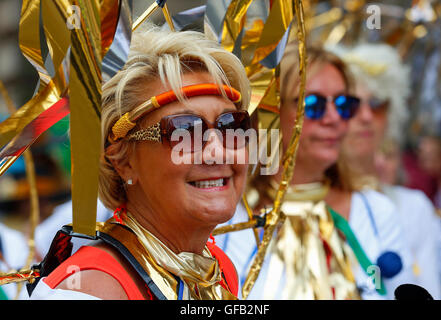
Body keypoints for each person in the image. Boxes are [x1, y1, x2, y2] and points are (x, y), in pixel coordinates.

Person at [28, 25, 251, 300]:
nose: (218, 150)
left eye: (232, 126)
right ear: (122, 161)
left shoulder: (217, 269)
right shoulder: (90, 290)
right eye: (185, 130)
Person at [217, 42, 413, 300]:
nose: (333, 118)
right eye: (313, 104)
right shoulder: (226, 216)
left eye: (344, 104)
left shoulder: (377, 212)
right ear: (270, 113)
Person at [328, 43, 441, 299]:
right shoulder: (299, 198)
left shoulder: (414, 207)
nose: (367, 116)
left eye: (378, 104)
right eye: (352, 104)